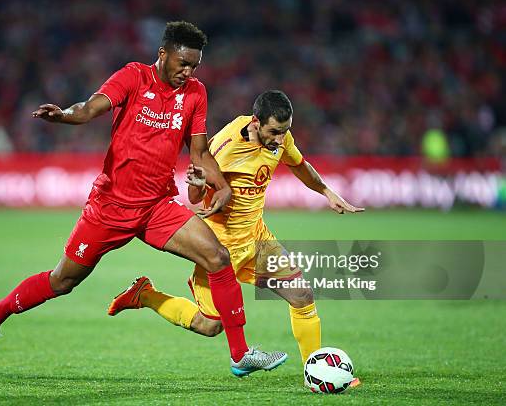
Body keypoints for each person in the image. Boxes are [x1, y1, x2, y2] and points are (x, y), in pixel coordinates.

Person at [0, 22, 288, 376]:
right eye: (182, 63)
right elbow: (90, 107)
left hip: (157, 206)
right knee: (63, 281)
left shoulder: (196, 93)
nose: (188, 72)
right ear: (163, 54)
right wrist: (65, 116)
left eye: (194, 66)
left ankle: (240, 355)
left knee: (217, 257)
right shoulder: (134, 77)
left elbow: (199, 153)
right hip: (110, 207)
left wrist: (223, 186)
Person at [108, 90, 364, 378]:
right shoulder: (224, 145)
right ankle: (146, 295)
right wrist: (199, 183)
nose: (280, 139)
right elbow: (194, 194)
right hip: (217, 249)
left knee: (302, 295)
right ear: (256, 122)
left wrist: (326, 192)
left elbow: (299, 165)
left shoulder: (281, 139)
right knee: (210, 326)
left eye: (285, 132)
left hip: (257, 241)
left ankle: (314, 372)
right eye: (275, 132)